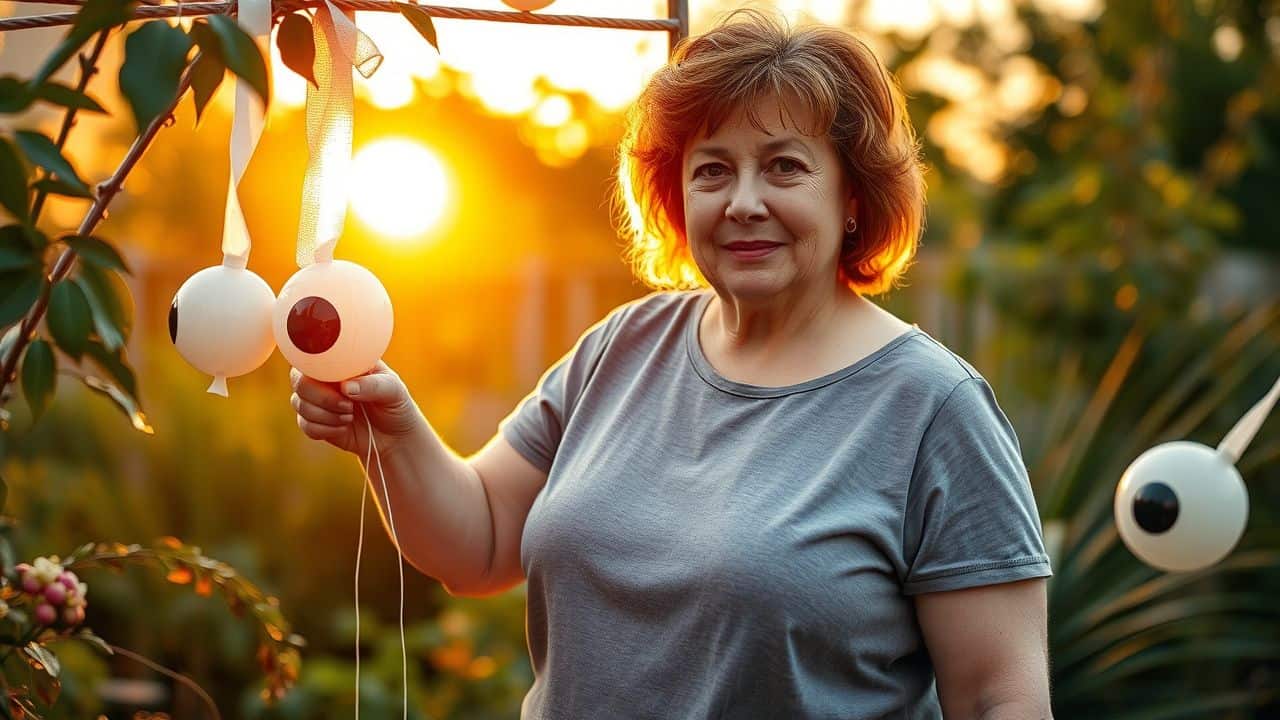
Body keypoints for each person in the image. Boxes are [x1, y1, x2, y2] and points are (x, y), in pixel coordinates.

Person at [290, 9, 1053, 719]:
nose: (743, 202)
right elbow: (480, 543)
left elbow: (1001, 699)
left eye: (785, 167)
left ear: (853, 196)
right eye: (712, 170)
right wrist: (387, 432)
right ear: (675, 196)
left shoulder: (932, 408)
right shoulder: (623, 346)